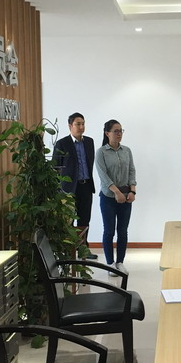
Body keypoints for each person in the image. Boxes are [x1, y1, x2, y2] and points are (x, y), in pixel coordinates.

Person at [53, 112, 98, 258]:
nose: (81, 127)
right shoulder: (62, 143)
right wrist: (59, 190)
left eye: (83, 124)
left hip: (86, 186)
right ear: (70, 126)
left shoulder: (89, 142)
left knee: (84, 219)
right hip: (68, 189)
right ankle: (69, 250)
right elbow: (55, 167)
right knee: (69, 221)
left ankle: (83, 249)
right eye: (78, 124)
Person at [95, 119, 137, 275]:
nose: (119, 134)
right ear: (107, 133)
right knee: (109, 231)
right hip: (108, 197)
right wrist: (117, 193)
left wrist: (132, 191)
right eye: (116, 131)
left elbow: (132, 171)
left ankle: (120, 262)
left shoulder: (127, 151)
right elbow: (103, 176)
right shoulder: (101, 152)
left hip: (126, 197)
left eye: (121, 131)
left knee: (123, 231)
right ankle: (110, 264)